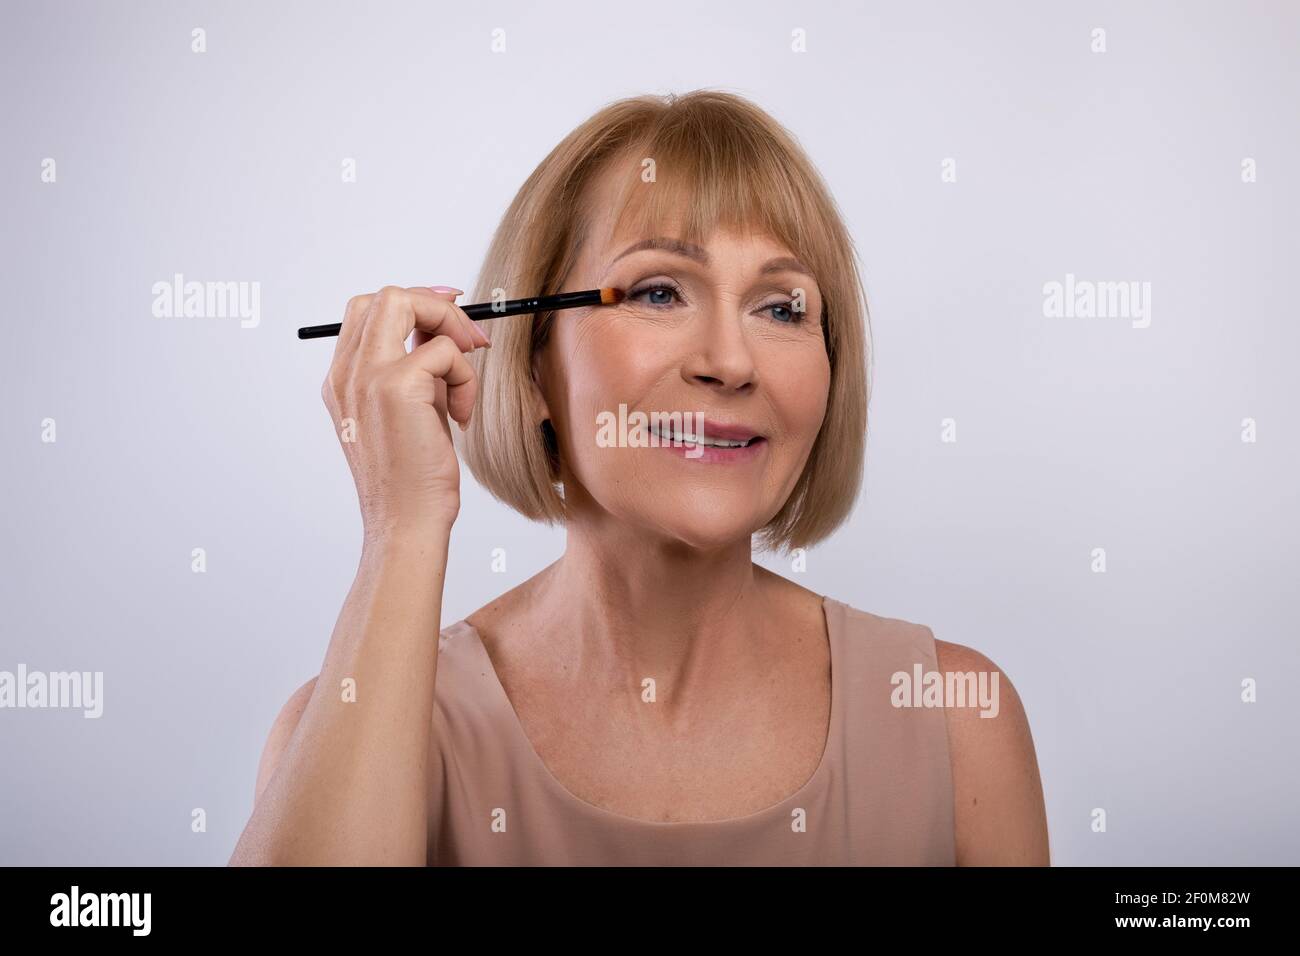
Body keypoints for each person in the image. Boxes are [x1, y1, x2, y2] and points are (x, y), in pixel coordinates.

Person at [229, 89, 1049, 866]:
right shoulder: (350, 731)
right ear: (532, 366)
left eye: (782, 308)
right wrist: (402, 529)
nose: (731, 361)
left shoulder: (954, 720)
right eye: (659, 293)